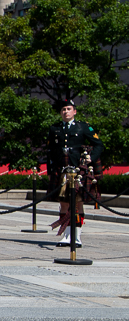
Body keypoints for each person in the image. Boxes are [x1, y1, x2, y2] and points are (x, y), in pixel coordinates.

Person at [46, 98, 103, 247]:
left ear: (74, 111)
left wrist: (91, 159)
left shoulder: (83, 127)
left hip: (78, 171)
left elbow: (99, 145)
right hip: (61, 170)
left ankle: (76, 237)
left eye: (69, 109)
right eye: (63, 110)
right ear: (60, 113)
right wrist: (50, 170)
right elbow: (50, 151)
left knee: (77, 204)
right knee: (64, 204)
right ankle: (66, 236)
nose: (66, 112)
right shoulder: (55, 129)